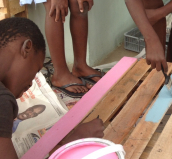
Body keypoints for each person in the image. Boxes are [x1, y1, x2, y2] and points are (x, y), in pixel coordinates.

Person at [0, 17, 104, 159]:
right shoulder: (2, 101)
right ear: (27, 48)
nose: (31, 84)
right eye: (36, 70)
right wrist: (73, 142)